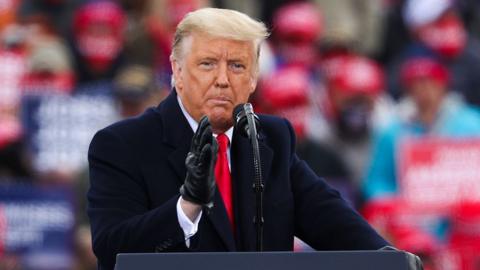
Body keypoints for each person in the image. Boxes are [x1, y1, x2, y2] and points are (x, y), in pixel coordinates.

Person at [87, 8, 421, 270]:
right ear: (176, 70)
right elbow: (112, 248)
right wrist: (187, 206)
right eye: (207, 64)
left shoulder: (271, 138)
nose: (222, 80)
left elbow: (328, 217)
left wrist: (391, 258)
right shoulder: (122, 144)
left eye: (236, 66)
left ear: (254, 77)